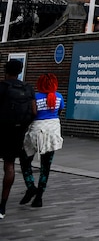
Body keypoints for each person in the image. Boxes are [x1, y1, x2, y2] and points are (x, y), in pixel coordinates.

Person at [18, 73, 64, 208]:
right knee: (46, 166)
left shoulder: (35, 98)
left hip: (36, 132)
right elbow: (59, 111)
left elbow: (31, 114)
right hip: (52, 133)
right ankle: (39, 197)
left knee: (25, 160)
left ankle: (31, 186)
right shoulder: (59, 97)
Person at [0, 59, 36, 220]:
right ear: (20, 71)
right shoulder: (28, 88)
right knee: (9, 166)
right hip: (17, 132)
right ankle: (2, 206)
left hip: (2, 129)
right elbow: (34, 112)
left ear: (5, 70)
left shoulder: (2, 87)